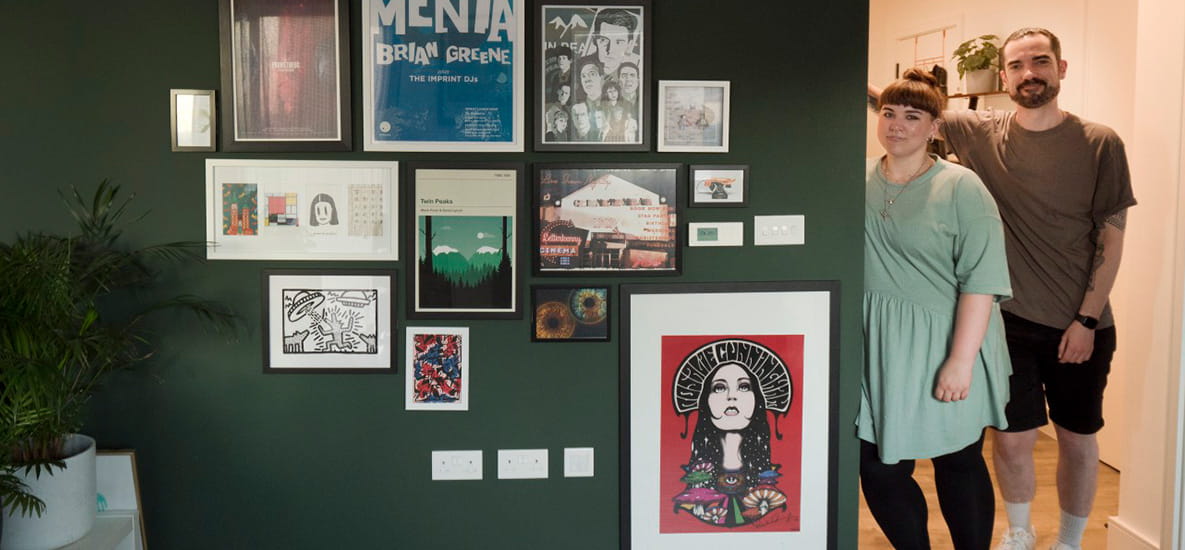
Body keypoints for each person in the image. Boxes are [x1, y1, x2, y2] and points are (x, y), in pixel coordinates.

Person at [871, 28, 1136, 550]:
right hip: (1005, 324)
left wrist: (1085, 319)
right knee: (1011, 442)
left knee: (1077, 440)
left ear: (1062, 69)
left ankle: (1069, 541)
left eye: (1040, 62)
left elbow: (1112, 232)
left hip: (1077, 324)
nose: (1028, 73)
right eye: (1016, 65)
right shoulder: (979, 130)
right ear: (1005, 75)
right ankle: (1017, 532)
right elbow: (901, 105)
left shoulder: (1099, 141)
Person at [859, 68, 1013, 550]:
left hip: (949, 339)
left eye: (912, 116)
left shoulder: (962, 187)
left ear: (934, 127)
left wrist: (961, 362)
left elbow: (982, 281)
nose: (897, 125)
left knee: (959, 461)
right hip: (879, 344)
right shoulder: (854, 175)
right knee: (878, 467)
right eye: (888, 113)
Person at [671, 339, 793, 528]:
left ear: (757, 400)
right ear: (706, 401)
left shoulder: (769, 496)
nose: (731, 396)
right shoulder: (693, 500)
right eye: (719, 388)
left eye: (744, 386)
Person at [576, 8, 640, 81]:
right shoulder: (577, 68)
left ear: (629, 45)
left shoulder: (632, 76)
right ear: (594, 39)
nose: (610, 50)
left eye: (618, 42)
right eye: (603, 40)